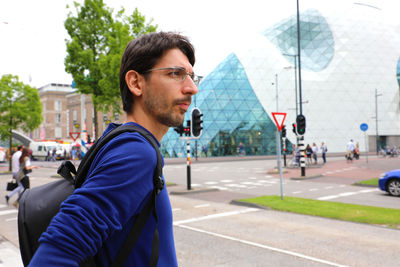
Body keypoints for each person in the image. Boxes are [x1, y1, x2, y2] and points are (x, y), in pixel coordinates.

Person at [29, 32, 198, 266]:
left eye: (191, 76)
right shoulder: (136, 153)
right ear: (136, 83)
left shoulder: (118, 140)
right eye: (176, 74)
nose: (191, 88)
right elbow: (53, 256)